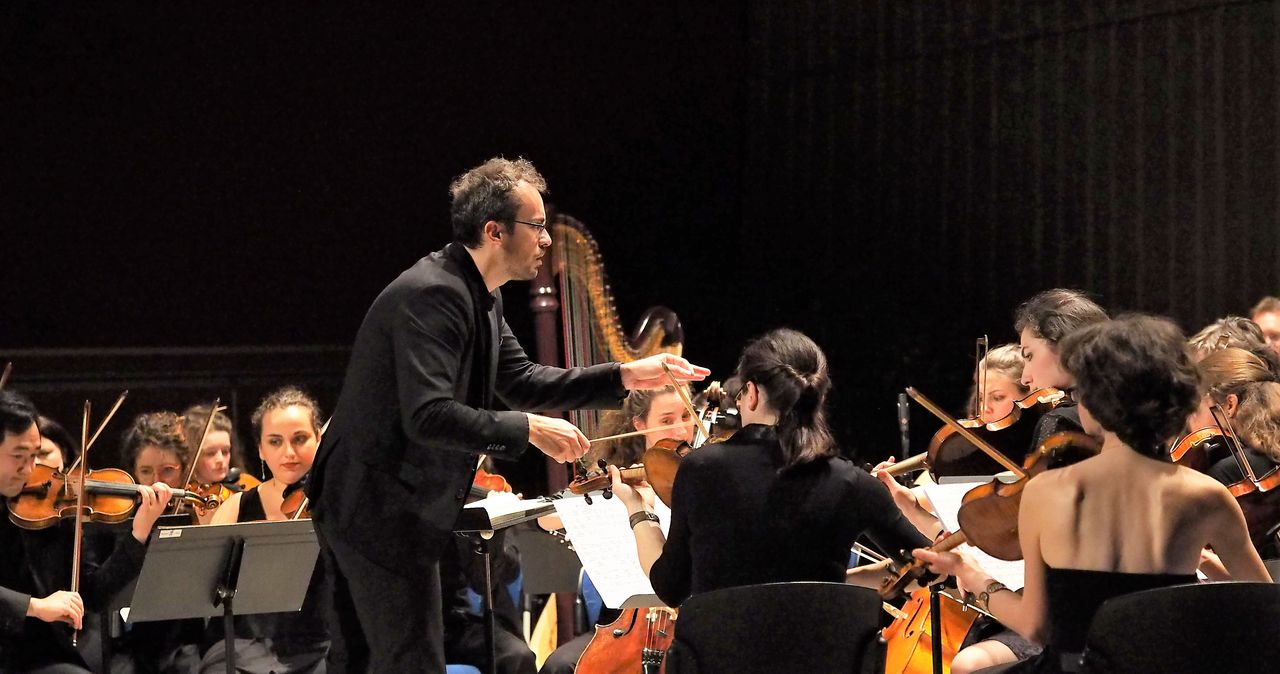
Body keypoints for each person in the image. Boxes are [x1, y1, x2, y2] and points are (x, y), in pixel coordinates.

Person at [306, 156, 708, 673]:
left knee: (375, 660)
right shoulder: (433, 295)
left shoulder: (480, 296)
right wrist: (528, 428)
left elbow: (522, 381)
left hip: (391, 502)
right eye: (536, 225)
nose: (545, 239)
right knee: (403, 662)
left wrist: (627, 376)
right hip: (372, 503)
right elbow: (427, 416)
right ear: (495, 231)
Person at [915, 315, 1272, 674]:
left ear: (1094, 401)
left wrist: (973, 576)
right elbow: (1265, 602)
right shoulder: (1206, 495)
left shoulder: (1045, 492)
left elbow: (1036, 627)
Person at [609, 327, 929, 607]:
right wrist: (834, 578)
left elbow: (670, 588)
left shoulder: (700, 469)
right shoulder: (852, 483)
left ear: (752, 394)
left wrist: (640, 512)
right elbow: (930, 570)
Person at [0, 389, 172, 673]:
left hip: (36, 657)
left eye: (36, 456)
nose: (30, 470)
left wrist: (139, 532)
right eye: (19, 456)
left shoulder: (55, 513)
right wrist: (35, 606)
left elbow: (93, 596)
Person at [540, 385, 696, 674]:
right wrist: (606, 507)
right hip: (629, 621)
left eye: (687, 415)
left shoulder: (706, 475)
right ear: (639, 425)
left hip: (692, 618)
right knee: (559, 666)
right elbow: (546, 519)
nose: (681, 428)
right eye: (666, 420)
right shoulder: (624, 480)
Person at [202, 386, 328, 673]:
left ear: (319, 440)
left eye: (300, 439)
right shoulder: (236, 507)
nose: (289, 453)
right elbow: (207, 590)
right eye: (275, 442)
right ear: (260, 448)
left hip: (319, 645)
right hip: (243, 645)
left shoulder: (336, 504)